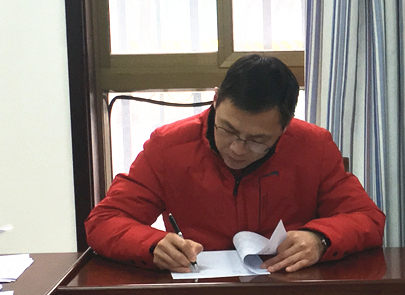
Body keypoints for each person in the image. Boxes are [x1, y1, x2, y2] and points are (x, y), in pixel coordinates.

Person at [85, 54, 385, 273]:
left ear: (285, 126)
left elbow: (367, 218)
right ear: (216, 100)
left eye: (258, 139)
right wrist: (152, 244)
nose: (238, 149)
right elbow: (104, 221)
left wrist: (320, 239)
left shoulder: (314, 147)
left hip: (290, 294)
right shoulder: (168, 147)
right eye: (227, 129)